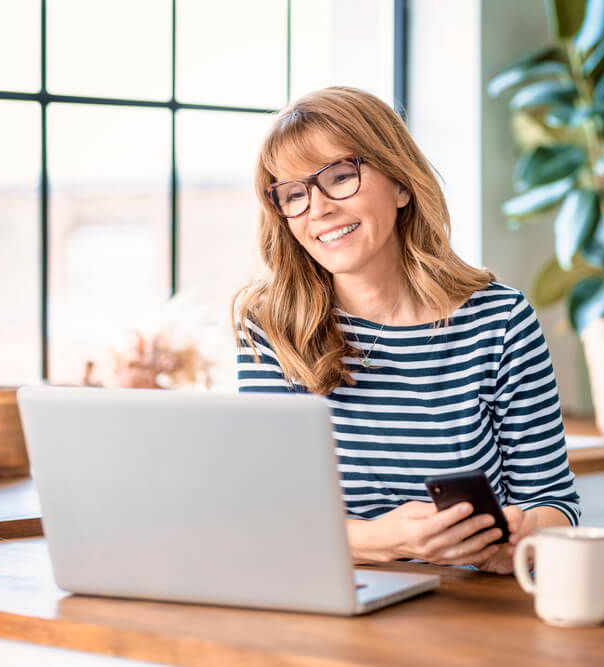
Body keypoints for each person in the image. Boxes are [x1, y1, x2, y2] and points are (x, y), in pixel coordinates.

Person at [233, 86, 580, 574]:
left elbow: (555, 504)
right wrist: (386, 539)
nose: (318, 209)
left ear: (401, 184)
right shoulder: (271, 327)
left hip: (470, 616)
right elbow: (267, 519)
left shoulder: (499, 321)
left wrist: (524, 536)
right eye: (293, 194)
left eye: (339, 177)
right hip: (330, 605)